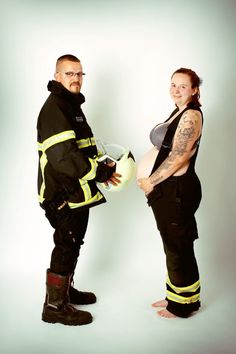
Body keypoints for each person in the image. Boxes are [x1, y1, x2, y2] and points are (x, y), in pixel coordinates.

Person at [37, 54, 121, 326]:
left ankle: (65, 291)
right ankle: (54, 306)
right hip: (62, 194)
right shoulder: (55, 108)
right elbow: (63, 156)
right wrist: (96, 172)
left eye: (80, 74)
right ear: (57, 75)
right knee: (66, 244)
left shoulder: (70, 104)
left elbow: (83, 147)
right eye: (70, 73)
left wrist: (102, 168)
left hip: (76, 191)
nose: (76, 78)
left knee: (73, 243)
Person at [137, 68, 203, 318]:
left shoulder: (191, 116)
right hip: (169, 190)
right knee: (173, 245)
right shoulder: (179, 111)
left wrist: (150, 181)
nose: (176, 90)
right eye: (173, 84)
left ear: (194, 89)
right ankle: (177, 296)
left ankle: (182, 307)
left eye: (183, 86)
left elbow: (179, 156)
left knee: (178, 247)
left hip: (177, 191)